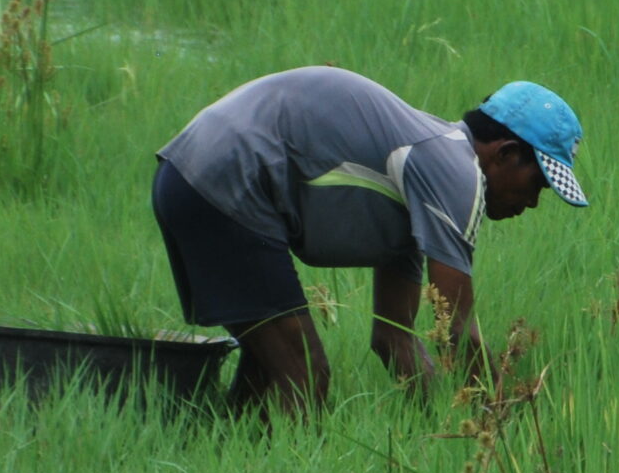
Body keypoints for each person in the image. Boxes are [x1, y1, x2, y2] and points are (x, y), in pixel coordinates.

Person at [152, 68, 588, 416]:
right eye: (537, 184)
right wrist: (503, 418)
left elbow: (393, 337)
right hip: (225, 177)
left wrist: (436, 421)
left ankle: (233, 452)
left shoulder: (423, 179)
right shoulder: (456, 173)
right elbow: (455, 329)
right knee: (304, 372)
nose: (532, 202)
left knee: (269, 374)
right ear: (505, 153)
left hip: (190, 174)